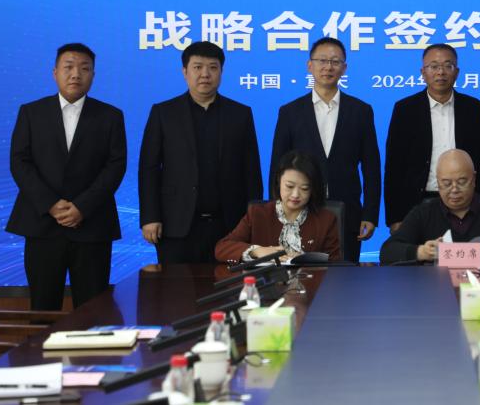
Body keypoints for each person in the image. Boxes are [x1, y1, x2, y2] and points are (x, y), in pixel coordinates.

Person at [7, 43, 127, 310]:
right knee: (43, 308)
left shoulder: (110, 116)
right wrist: (50, 204)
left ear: (93, 75)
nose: (76, 74)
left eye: (84, 69)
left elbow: (115, 166)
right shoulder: (31, 112)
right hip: (42, 226)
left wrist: (82, 207)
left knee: (93, 311)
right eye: (68, 67)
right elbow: (19, 162)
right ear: (55, 72)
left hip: (92, 226)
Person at [138, 41, 263, 264]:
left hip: (229, 225)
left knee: (228, 285)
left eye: (213, 67)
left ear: (221, 71)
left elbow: (251, 171)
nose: (205, 74)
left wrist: (254, 221)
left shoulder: (240, 114)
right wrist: (150, 217)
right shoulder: (164, 113)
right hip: (175, 224)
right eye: (197, 67)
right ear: (185, 71)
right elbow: (149, 169)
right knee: (175, 286)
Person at [271, 36, 381, 263]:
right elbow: (277, 166)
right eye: (322, 60)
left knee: (346, 275)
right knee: (301, 274)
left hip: (347, 212)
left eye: (335, 61)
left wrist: (370, 214)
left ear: (344, 68)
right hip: (300, 210)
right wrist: (278, 211)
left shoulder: (361, 111)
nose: (328, 67)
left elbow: (372, 167)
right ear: (309, 65)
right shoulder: (290, 112)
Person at [384, 43, 480, 232]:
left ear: (457, 72)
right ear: (423, 72)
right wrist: (395, 217)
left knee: (465, 252)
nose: (440, 72)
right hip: (417, 204)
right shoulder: (405, 109)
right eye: (434, 66)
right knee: (419, 251)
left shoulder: (474, 109)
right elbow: (394, 167)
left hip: (465, 204)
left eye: (447, 66)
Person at [380, 149, 480, 264]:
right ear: (437, 182)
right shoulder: (423, 213)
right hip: (435, 292)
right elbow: (387, 251)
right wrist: (421, 252)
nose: (454, 190)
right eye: (446, 183)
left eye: (462, 182)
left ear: (474, 179)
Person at [215, 150, 341, 263]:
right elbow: (222, 247)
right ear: (278, 182)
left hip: (310, 281)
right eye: (289, 186)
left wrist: (305, 260)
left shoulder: (326, 219)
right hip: (265, 281)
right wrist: (258, 251)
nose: (295, 195)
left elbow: (335, 264)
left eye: (304, 188)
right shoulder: (257, 214)